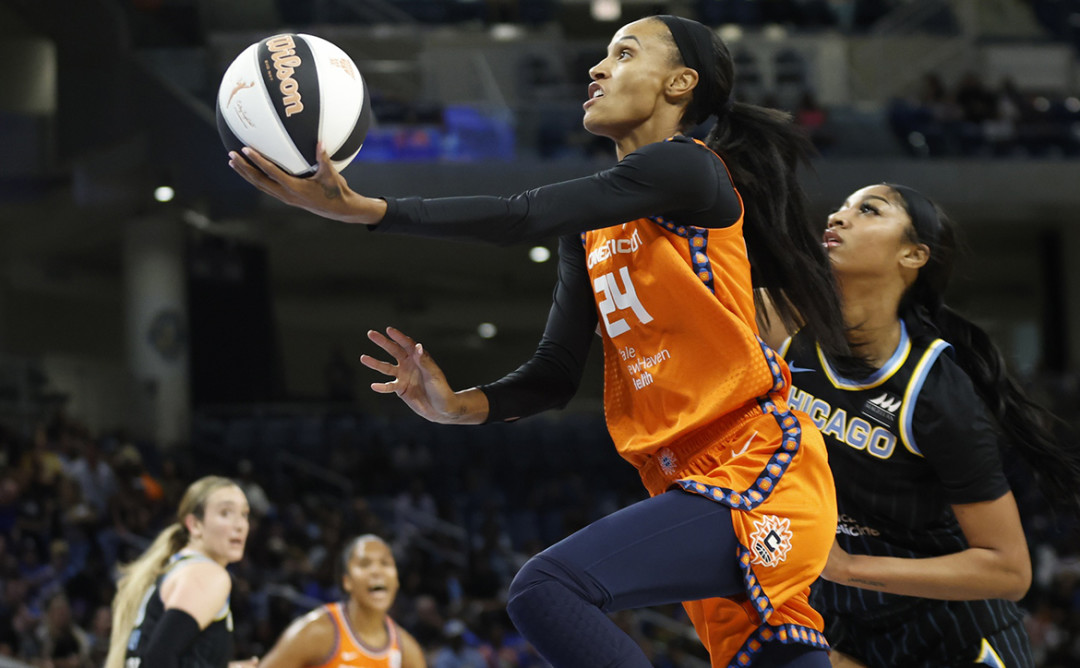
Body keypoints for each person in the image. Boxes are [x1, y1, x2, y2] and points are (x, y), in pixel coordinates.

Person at [230, 14, 854, 668]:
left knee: (547, 589)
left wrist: (370, 211)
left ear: (679, 84)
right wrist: (456, 405)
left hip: (755, 469)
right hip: (691, 483)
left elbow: (520, 212)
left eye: (624, 53)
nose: (597, 68)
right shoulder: (589, 231)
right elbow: (554, 374)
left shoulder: (688, 170)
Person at [751, 183, 1080, 667]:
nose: (837, 217)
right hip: (846, 621)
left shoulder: (935, 392)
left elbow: (1009, 569)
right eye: (841, 207)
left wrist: (849, 568)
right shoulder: (786, 323)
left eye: (868, 209)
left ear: (913, 255)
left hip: (952, 637)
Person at [105, 475, 257, 668]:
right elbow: (158, 659)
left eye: (244, 514)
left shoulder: (178, 567)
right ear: (194, 525)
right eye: (226, 513)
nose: (240, 525)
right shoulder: (207, 573)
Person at [258, 534, 425, 668]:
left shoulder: (408, 651)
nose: (377, 572)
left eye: (385, 563)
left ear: (396, 580)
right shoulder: (316, 632)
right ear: (347, 581)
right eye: (365, 564)